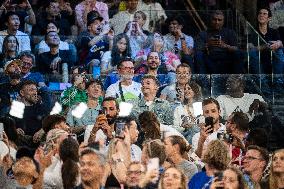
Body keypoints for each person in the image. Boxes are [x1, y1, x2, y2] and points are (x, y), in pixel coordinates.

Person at [248, 7, 284, 74]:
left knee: (279, 49)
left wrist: (279, 43)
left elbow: (281, 45)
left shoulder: (274, 31)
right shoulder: (252, 32)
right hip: (258, 62)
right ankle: (263, 81)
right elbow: (250, 49)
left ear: (269, 18)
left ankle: (278, 80)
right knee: (252, 53)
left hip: (272, 61)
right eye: (260, 13)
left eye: (265, 14)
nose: (261, 15)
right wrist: (265, 46)